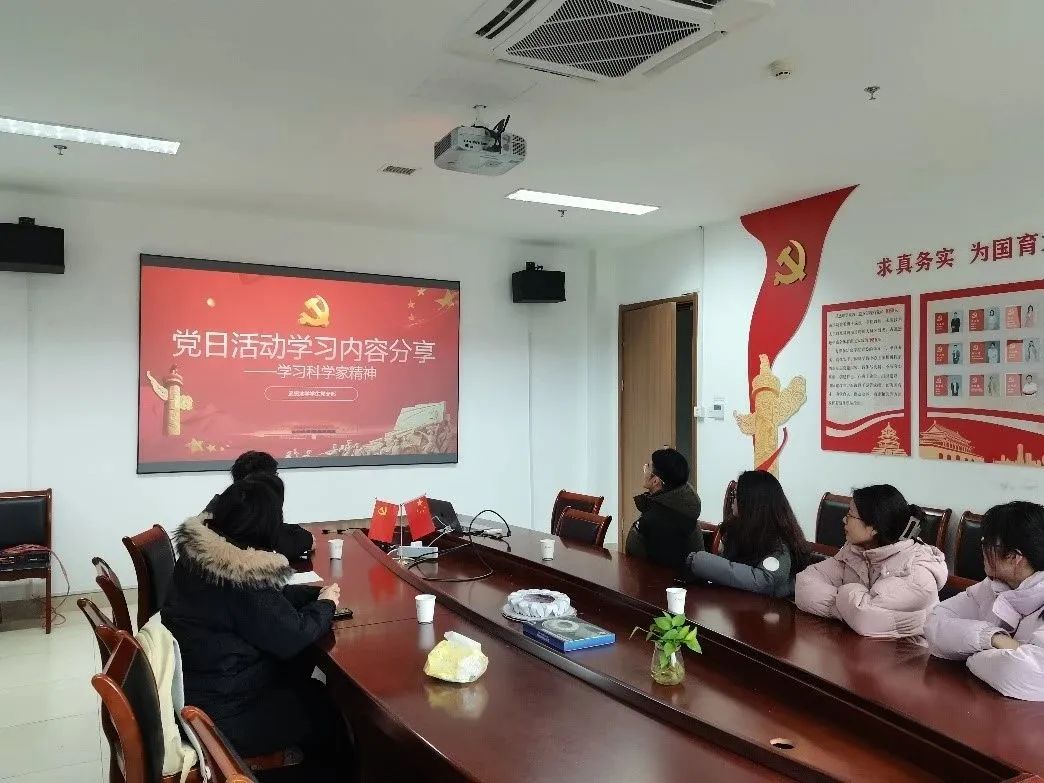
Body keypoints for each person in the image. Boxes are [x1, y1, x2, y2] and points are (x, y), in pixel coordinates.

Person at [163, 475, 354, 781]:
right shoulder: (240, 580)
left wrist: (313, 594)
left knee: (306, 683)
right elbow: (292, 635)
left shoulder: (202, 556)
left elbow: (267, 604)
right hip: (224, 713)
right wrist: (326, 605)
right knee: (326, 710)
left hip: (198, 690)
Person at [925, 502, 1044, 701]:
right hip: (986, 701)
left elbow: (1022, 673)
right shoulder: (995, 586)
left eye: (987, 543)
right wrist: (992, 638)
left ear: (1015, 557)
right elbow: (935, 624)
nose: (982, 549)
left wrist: (971, 655)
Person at [795, 484, 947, 640]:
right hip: (857, 643)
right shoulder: (857, 550)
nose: (844, 519)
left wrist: (848, 601)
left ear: (874, 527)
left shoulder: (917, 570)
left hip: (910, 651)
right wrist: (848, 609)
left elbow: (864, 619)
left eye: (850, 515)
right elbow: (804, 584)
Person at [683, 470, 809, 597]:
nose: (733, 500)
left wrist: (698, 560)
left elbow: (763, 580)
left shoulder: (780, 544)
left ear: (751, 503)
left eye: (736, 495)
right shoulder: (740, 530)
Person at [205, 451, 314, 560]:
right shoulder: (256, 540)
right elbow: (278, 542)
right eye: (275, 475)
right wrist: (306, 539)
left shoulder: (216, 516)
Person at [625, 448, 703, 571]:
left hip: (653, 581)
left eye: (648, 466)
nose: (644, 468)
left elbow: (632, 561)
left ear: (655, 481)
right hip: (687, 580)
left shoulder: (647, 522)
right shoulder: (688, 511)